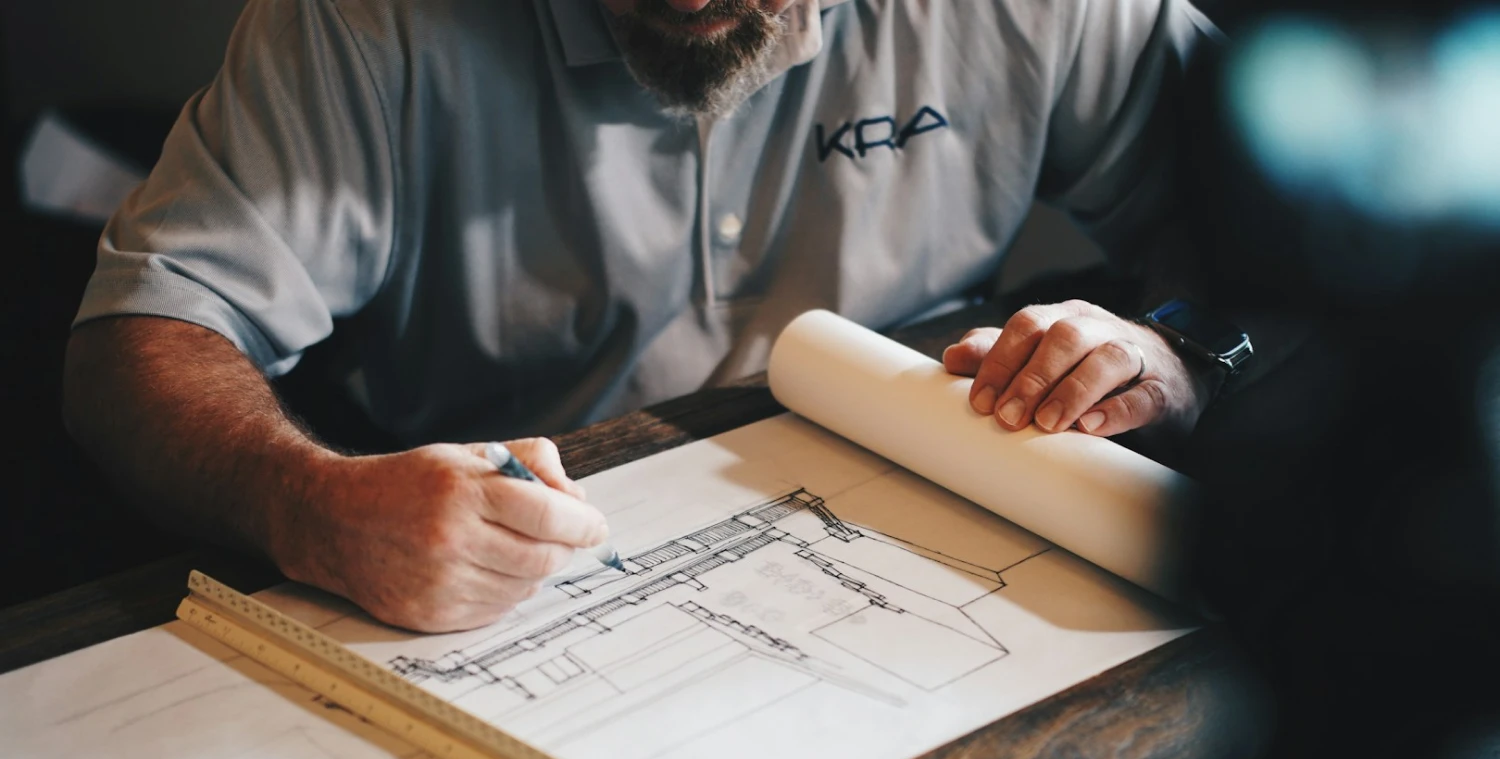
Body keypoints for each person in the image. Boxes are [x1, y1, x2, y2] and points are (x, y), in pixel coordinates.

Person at [63, 0, 1221, 632]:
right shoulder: (362, 24)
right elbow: (139, 338)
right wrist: (307, 503)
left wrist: (1178, 344)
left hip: (964, 563)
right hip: (515, 575)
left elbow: (1291, 233)